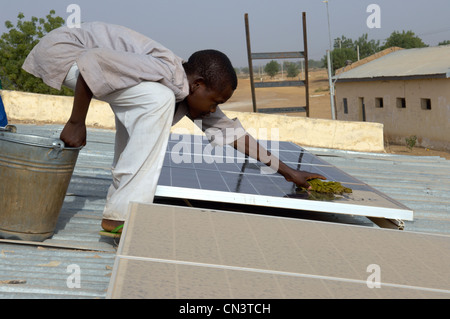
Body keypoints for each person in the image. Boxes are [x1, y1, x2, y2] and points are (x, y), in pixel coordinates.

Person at [22, 22, 325, 234]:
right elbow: (90, 60)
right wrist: (76, 122)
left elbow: (234, 135)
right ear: (197, 85)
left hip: (83, 57)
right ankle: (121, 216)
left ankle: (121, 204)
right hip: (64, 50)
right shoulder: (164, 72)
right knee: (158, 99)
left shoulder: (189, 88)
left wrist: (289, 173)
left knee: (150, 106)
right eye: (214, 101)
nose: (213, 109)